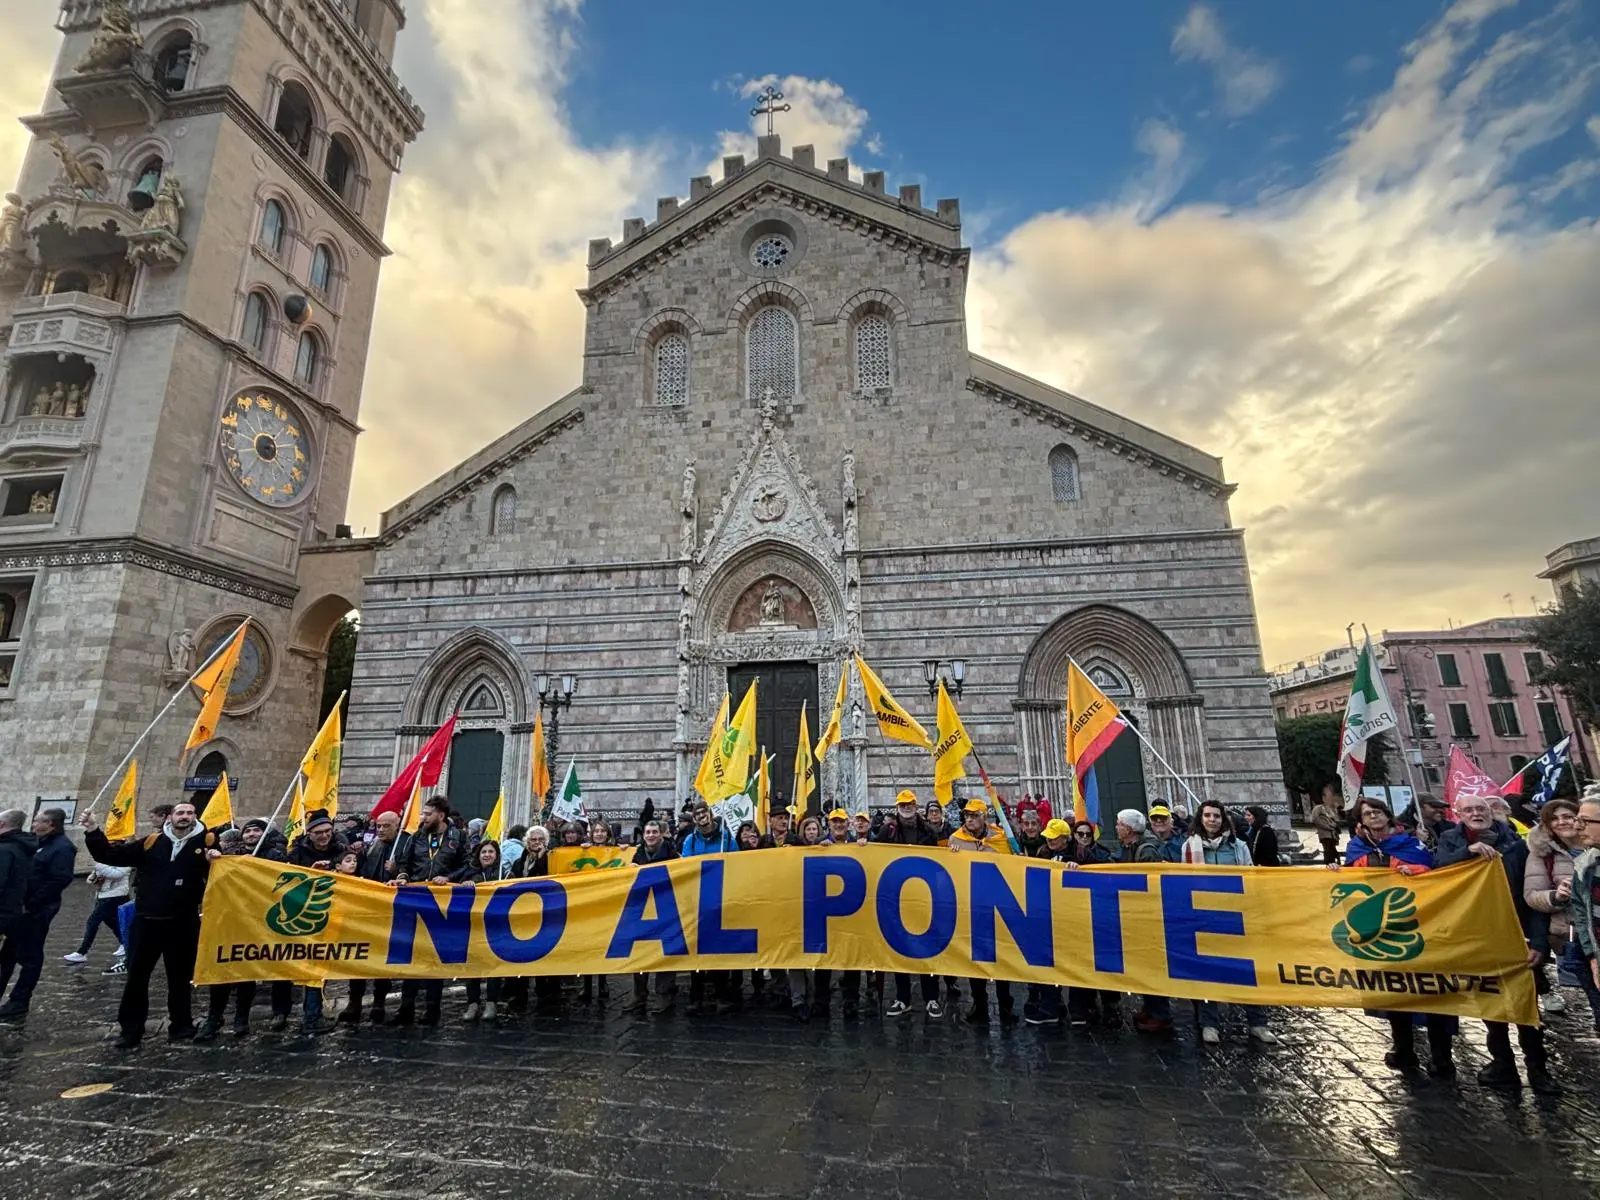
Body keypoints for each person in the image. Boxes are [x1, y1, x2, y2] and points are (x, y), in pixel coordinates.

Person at [1435, 794, 1554, 1093]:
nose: (1477, 813)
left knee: (1527, 1005)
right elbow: (1438, 871)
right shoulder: (1450, 842)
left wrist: (1539, 941)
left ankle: (1538, 1067)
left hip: (1517, 933)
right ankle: (1503, 1063)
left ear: (1493, 812)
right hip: (1476, 936)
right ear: (1457, 814)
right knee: (1489, 1003)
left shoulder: (1517, 845)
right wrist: (1468, 851)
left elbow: (1533, 895)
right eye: (1470, 809)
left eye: (1482, 809)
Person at [80, 801, 221, 1049]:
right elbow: (111, 855)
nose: (185, 817)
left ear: (195, 816)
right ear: (170, 817)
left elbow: (218, 878)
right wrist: (93, 830)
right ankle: (131, 1030)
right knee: (136, 977)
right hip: (147, 920)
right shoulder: (151, 842)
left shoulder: (207, 842)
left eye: (190, 813)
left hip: (182, 921)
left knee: (180, 978)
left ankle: (181, 1025)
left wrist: (215, 862)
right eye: (181, 813)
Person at [1343, 796, 1456, 1082]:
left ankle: (1442, 1057)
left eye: (1378, 812)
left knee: (1433, 990)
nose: (1375, 817)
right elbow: (1350, 881)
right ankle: (1403, 1048)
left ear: (1388, 815)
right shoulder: (1357, 848)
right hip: (1383, 929)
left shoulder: (1410, 843)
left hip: (1420, 923)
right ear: (1361, 821)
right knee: (1395, 991)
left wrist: (1414, 871)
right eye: (1368, 814)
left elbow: (1433, 872)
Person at [1179, 801, 1277, 1046]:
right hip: (1204, 915)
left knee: (1246, 970)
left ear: (1224, 819)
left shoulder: (1238, 847)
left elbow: (1250, 876)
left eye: (1216, 816)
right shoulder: (1189, 848)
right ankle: (1209, 1024)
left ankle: (1258, 1023)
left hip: (1236, 914)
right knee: (1207, 971)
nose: (1212, 820)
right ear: (1200, 820)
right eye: (1207, 816)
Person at [392, 796, 467, 1026]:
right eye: (422, 814)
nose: (423, 818)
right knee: (411, 954)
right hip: (415, 900)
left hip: (442, 904)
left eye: (427, 814)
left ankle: (433, 1009)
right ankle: (406, 1007)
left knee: (435, 956)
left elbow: (466, 864)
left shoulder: (458, 837)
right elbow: (404, 862)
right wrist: (403, 876)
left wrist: (449, 878)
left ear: (441, 816)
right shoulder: (416, 837)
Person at [0, 808, 77, 1020]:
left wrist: (33, 904)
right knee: (7, 955)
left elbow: (59, 880)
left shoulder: (62, 848)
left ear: (51, 824)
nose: (34, 825)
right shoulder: (38, 843)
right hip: (19, 910)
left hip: (37, 911)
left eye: (38, 821)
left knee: (30, 957)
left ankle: (19, 1001)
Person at [947, 800, 1012, 1025]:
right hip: (971, 907)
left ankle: (1006, 1005)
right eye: (967, 816)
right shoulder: (956, 840)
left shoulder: (1002, 837)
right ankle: (980, 1004)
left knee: (1003, 959)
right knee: (975, 959)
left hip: (1000, 907)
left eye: (974, 816)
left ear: (984, 816)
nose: (969, 819)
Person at [1524, 800, 1587, 1022]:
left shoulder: (1594, 842)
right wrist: (1556, 896)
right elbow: (1532, 895)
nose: (1562, 822)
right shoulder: (1542, 853)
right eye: (1554, 818)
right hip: (1575, 934)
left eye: (1567, 816)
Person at [197, 830, 259, 1041]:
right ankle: (215, 1017)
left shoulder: (259, 856)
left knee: (245, 971)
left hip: (248, 921)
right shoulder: (215, 858)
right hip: (221, 921)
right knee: (220, 970)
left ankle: (241, 1018)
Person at [1113, 809, 1171, 1033]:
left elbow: (1148, 882)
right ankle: (1151, 1007)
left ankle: (1160, 1014)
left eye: (1119, 824)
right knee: (1146, 965)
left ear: (1128, 829)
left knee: (1153, 964)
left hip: (1149, 917)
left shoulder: (1146, 850)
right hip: (1139, 915)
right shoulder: (1131, 847)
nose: (1116, 827)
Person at [681, 802, 736, 1013]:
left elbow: (739, 863)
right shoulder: (690, 841)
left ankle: (721, 995)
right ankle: (696, 998)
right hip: (697, 902)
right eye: (697, 814)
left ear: (711, 815)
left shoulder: (726, 838)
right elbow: (685, 867)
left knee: (718, 951)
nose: (701, 817)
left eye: (704, 813)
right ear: (694, 818)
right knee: (696, 950)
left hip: (720, 900)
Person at [625, 819, 681, 1015]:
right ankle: (639, 995)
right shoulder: (638, 854)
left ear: (661, 834)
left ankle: (663, 995)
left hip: (666, 910)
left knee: (665, 953)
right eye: (647, 832)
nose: (650, 835)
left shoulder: (672, 854)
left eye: (654, 832)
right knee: (640, 952)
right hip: (643, 911)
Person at [452, 840, 504, 1021]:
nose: (487, 855)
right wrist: (464, 885)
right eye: (484, 852)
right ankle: (472, 1003)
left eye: (491, 852)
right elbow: (453, 886)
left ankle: (491, 1003)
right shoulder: (469, 873)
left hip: (496, 927)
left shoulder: (504, 874)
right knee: (473, 967)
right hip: (473, 926)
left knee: (492, 967)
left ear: (497, 855)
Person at [64, 842, 132, 966]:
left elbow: (117, 874)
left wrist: (99, 865)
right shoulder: (105, 861)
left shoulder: (125, 861)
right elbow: (93, 876)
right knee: (112, 922)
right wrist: (93, 878)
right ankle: (124, 943)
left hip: (116, 896)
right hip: (102, 896)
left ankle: (82, 952)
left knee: (92, 922)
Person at [1570, 796, 1600, 1034]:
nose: (1577, 826)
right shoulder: (1584, 864)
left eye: (1585, 821)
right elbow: (1582, 913)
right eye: (1577, 819)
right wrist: (1592, 956)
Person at [1309, 786, 1344, 864]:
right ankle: (1329, 863)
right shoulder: (1318, 808)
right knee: (1327, 850)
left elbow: (1335, 818)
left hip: (1332, 833)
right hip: (1325, 833)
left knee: (1332, 848)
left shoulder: (1327, 808)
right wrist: (1327, 826)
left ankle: (1336, 860)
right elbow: (1316, 819)